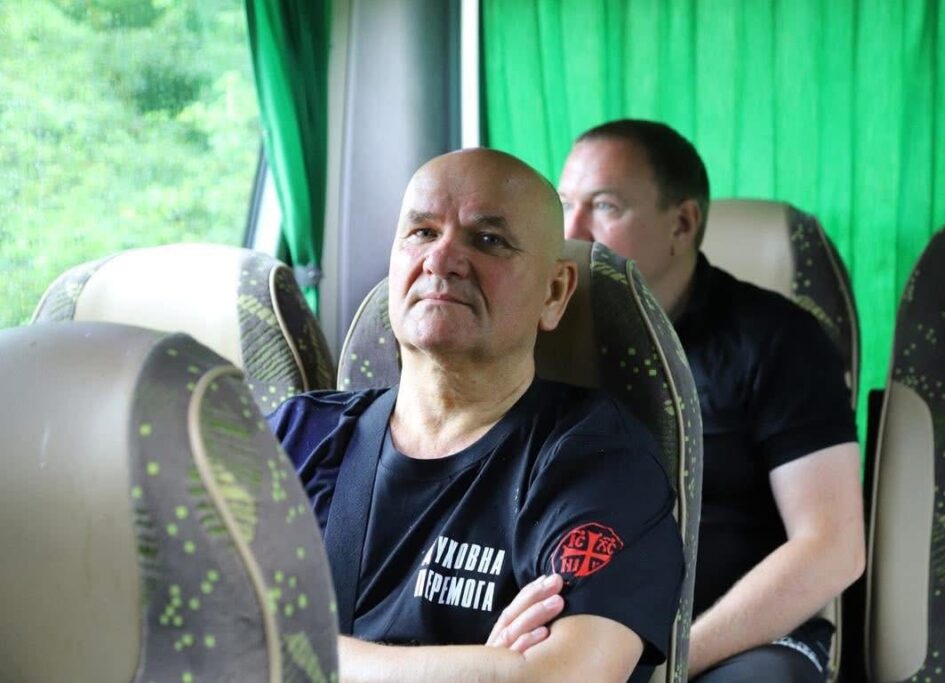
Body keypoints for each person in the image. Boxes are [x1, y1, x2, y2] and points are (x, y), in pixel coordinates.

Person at [270, 148, 684, 683]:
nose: (441, 260)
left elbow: (560, 678)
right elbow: (193, 634)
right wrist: (488, 669)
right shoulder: (295, 436)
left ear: (554, 292)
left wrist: (289, 651)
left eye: (488, 240)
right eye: (422, 232)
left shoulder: (598, 460)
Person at [557, 119, 865, 682]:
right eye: (563, 205)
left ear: (682, 223)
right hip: (577, 635)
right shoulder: (540, 338)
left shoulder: (778, 341)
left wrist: (672, 662)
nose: (573, 230)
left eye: (604, 206)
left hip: (735, 642)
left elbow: (832, 546)